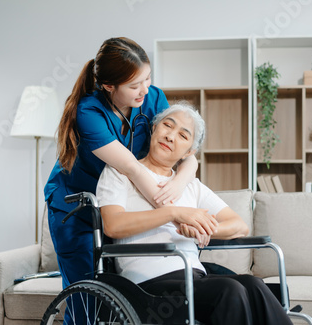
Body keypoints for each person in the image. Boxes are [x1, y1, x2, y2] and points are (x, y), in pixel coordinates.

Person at [44, 37, 217, 319]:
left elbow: (186, 153)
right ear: (109, 86)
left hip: (118, 204)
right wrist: (176, 213)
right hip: (77, 209)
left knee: (118, 297)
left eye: (148, 79)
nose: (145, 90)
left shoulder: (153, 97)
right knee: (88, 297)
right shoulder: (89, 111)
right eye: (135, 85)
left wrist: (180, 180)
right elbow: (133, 169)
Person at [96, 103, 293, 325]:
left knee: (254, 285)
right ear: (153, 128)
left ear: (190, 152)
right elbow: (113, 225)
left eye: (182, 135)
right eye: (167, 126)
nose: (170, 136)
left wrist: (202, 228)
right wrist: (174, 213)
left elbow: (239, 225)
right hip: (145, 284)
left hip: (193, 277)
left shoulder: (191, 186)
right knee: (229, 290)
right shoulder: (119, 172)